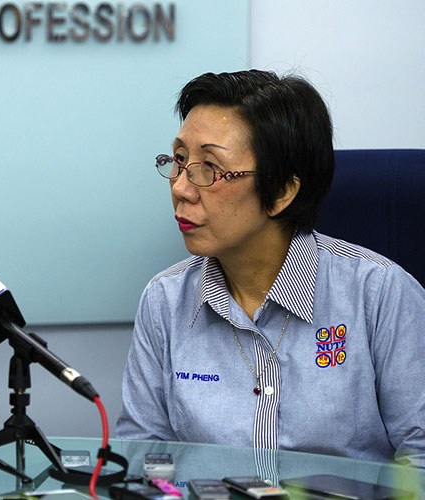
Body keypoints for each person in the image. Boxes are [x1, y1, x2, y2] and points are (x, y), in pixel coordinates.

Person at [115, 70, 425, 467]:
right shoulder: (165, 300)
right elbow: (144, 455)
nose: (180, 188)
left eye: (209, 167)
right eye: (179, 160)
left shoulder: (379, 293)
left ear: (281, 192)